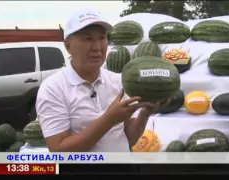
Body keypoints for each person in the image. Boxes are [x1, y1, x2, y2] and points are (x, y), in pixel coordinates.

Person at [36, 7, 167, 152]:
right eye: (88, 39)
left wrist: (146, 111)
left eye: (102, 38)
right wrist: (109, 119)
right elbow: (60, 151)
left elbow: (130, 137)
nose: (97, 47)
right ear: (68, 46)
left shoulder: (118, 81)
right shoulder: (53, 88)